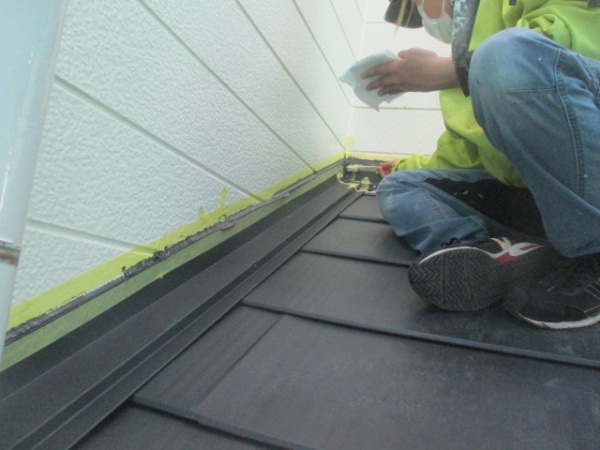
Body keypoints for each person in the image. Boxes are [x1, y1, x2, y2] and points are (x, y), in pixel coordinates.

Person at [361, 0, 600, 329]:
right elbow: (473, 150)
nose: (424, 11)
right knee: (400, 187)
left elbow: (578, 40)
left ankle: (591, 250)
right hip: (542, 195)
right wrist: (407, 166)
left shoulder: (485, 58)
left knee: (506, 56)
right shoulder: (474, 52)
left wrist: (454, 70)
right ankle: (494, 254)